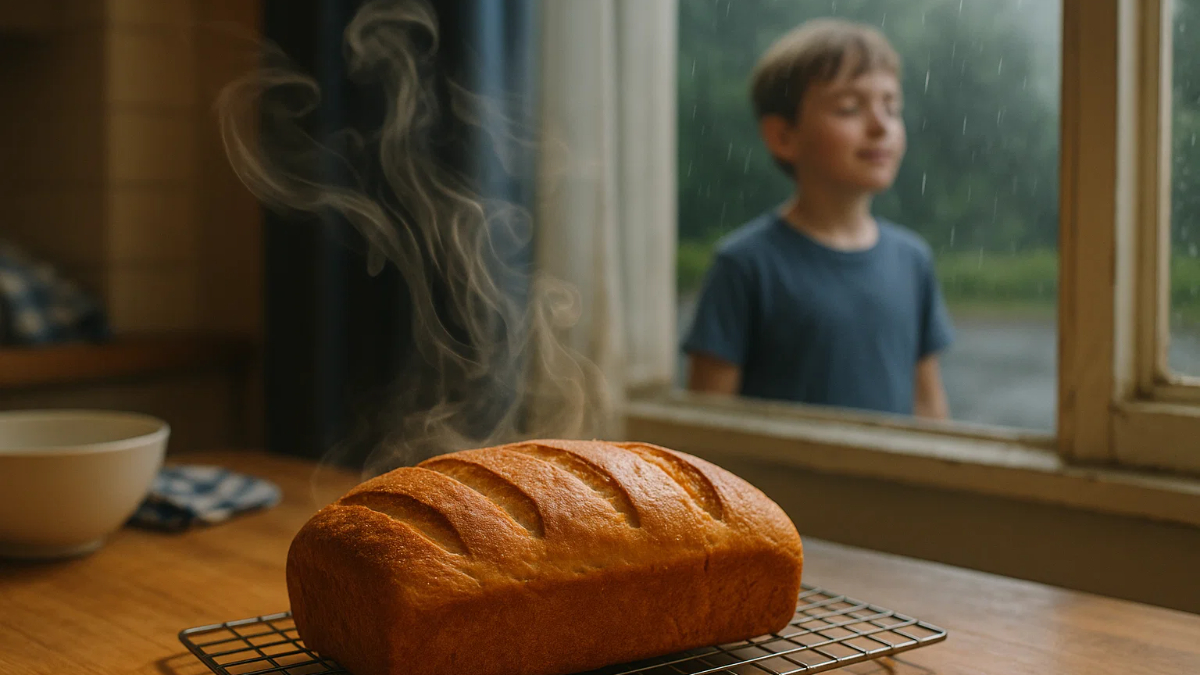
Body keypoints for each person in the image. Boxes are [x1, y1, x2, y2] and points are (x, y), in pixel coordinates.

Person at [682, 18, 954, 419]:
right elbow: (708, 428)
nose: (881, 126)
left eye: (891, 106)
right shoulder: (743, 265)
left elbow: (929, 405)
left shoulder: (913, 260)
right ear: (783, 137)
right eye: (850, 107)